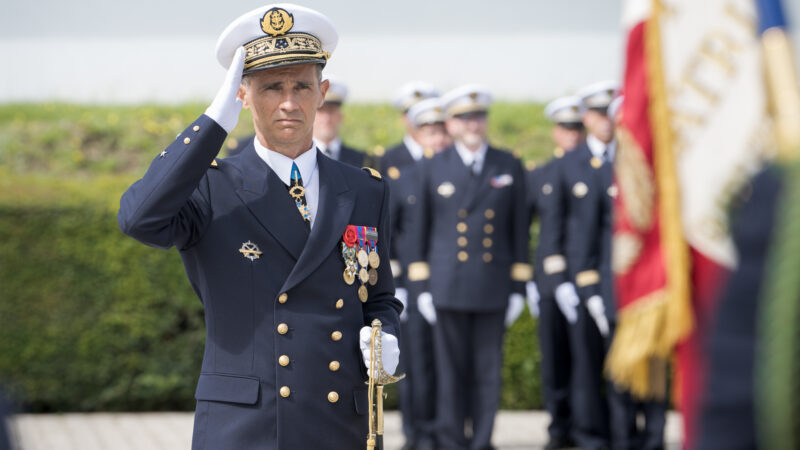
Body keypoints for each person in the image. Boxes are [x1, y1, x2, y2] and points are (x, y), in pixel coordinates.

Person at [117, 4, 402, 449]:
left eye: (301, 87)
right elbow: (139, 218)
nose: (289, 103)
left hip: (340, 421)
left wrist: (386, 334)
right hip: (248, 424)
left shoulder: (363, 189)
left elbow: (380, 296)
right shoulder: (213, 187)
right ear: (243, 96)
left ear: (322, 92)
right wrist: (212, 123)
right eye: (271, 88)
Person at [407, 84, 531, 450]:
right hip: (447, 286)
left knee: (487, 375)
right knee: (450, 374)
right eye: (464, 118)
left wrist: (520, 287)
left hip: (492, 286)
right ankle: (450, 441)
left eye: (478, 117)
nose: (473, 124)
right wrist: (422, 288)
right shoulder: (433, 166)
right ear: (451, 123)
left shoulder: (508, 165)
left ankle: (481, 442)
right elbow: (420, 231)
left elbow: (519, 231)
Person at [388, 97, 451, 450]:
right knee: (417, 365)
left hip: (448, 284)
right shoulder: (404, 178)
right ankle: (418, 434)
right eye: (429, 131)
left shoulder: (457, 171)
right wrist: (397, 286)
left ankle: (448, 431)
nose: (437, 138)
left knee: (450, 366)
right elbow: (390, 234)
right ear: (417, 133)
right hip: (412, 285)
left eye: (442, 131)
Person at [525, 95, 585, 450]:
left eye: (577, 127)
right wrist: (527, 278)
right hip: (549, 283)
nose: (572, 134)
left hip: (586, 278)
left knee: (588, 360)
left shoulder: (597, 168)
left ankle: (587, 425)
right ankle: (559, 427)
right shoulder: (541, 174)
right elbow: (524, 228)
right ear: (555, 133)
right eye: (566, 128)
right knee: (555, 360)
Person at [312, 75, 370, 167]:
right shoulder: (301, 157)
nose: (327, 118)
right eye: (321, 111)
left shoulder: (362, 159)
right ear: (311, 115)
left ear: (341, 116)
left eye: (331, 111)